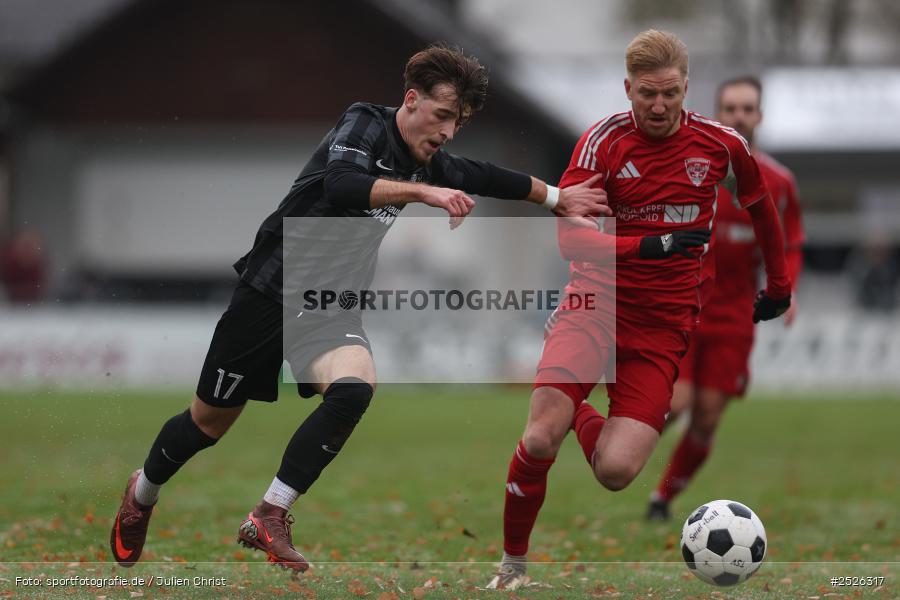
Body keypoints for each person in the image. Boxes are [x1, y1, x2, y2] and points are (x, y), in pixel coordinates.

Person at [110, 44, 609, 571]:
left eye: (458, 122)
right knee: (206, 424)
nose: (447, 132)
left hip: (329, 305)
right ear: (411, 100)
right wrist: (423, 194)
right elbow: (341, 184)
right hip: (270, 292)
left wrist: (556, 198)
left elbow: (482, 174)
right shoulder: (365, 123)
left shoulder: (426, 160)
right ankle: (141, 494)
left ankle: (269, 513)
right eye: (442, 115)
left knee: (354, 389)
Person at [487, 30, 792, 590]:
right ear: (628, 88)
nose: (658, 105)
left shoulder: (721, 145)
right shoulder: (601, 143)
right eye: (647, 93)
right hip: (592, 306)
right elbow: (571, 240)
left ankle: (576, 408)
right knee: (539, 437)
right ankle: (512, 568)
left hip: (662, 327)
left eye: (669, 93)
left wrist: (780, 285)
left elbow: (763, 208)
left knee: (616, 471)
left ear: (685, 89)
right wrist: (647, 246)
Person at [645, 75, 804, 520]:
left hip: (737, 315)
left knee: (708, 417)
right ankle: (613, 451)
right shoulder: (691, 169)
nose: (738, 116)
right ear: (717, 114)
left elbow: (791, 242)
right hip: (683, 306)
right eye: (730, 108)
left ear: (760, 116)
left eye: (747, 109)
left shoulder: (779, 182)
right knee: (676, 403)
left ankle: (662, 499)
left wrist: (787, 288)